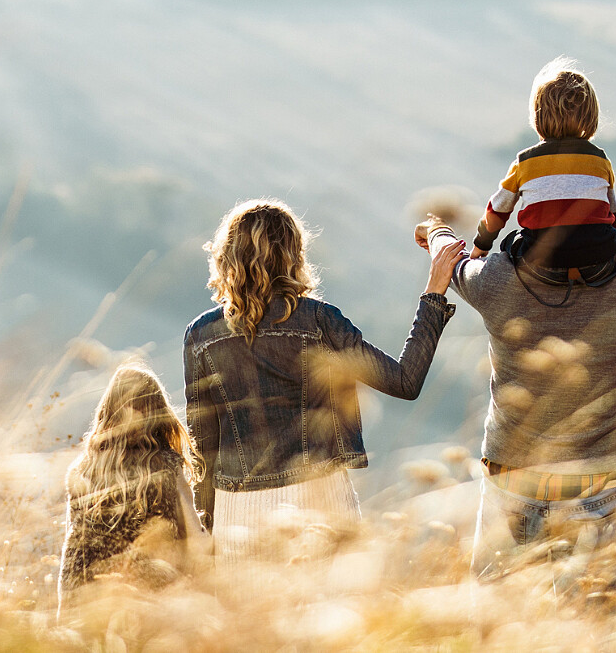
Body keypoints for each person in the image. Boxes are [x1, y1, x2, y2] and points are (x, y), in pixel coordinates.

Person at [415, 214, 616, 584]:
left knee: (499, 617)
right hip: (598, 490)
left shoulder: (498, 278)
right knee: (595, 615)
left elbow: (451, 260)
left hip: (512, 485)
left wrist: (435, 229)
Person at [184, 198, 464, 563]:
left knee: (250, 603)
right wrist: (434, 292)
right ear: (293, 256)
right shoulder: (320, 320)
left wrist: (207, 525)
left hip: (237, 513)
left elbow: (203, 445)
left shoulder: (201, 335)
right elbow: (405, 382)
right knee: (332, 600)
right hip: (320, 499)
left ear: (226, 257)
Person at [59, 364, 203, 613]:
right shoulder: (167, 466)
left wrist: (65, 611)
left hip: (87, 600)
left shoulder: (81, 470)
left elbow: (72, 548)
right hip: (149, 598)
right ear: (158, 412)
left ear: (108, 411)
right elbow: (196, 540)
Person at [471, 56, 616, 271]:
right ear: (591, 116)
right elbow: (613, 217)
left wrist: (481, 245)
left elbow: (497, 210)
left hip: (539, 260)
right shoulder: (600, 160)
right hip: (597, 257)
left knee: (511, 242)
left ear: (538, 115)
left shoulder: (525, 162)